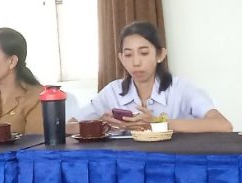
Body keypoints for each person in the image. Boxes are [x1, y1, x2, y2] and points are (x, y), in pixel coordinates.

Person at [80, 21, 232, 133]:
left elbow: (223, 125)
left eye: (144, 53)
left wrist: (157, 124)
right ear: (121, 58)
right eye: (128, 55)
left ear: (160, 55)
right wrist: (101, 125)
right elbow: (70, 126)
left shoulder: (181, 88)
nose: (136, 62)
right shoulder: (112, 91)